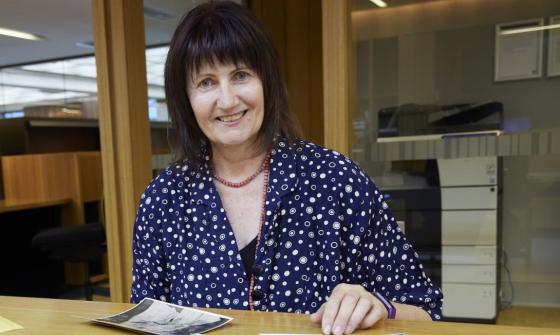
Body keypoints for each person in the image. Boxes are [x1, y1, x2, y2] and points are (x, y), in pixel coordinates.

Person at [131, 1, 443, 334]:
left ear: (267, 80)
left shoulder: (336, 180)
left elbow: (427, 312)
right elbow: (147, 321)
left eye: (240, 75)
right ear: (186, 99)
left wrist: (380, 305)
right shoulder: (163, 200)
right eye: (206, 82)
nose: (227, 100)